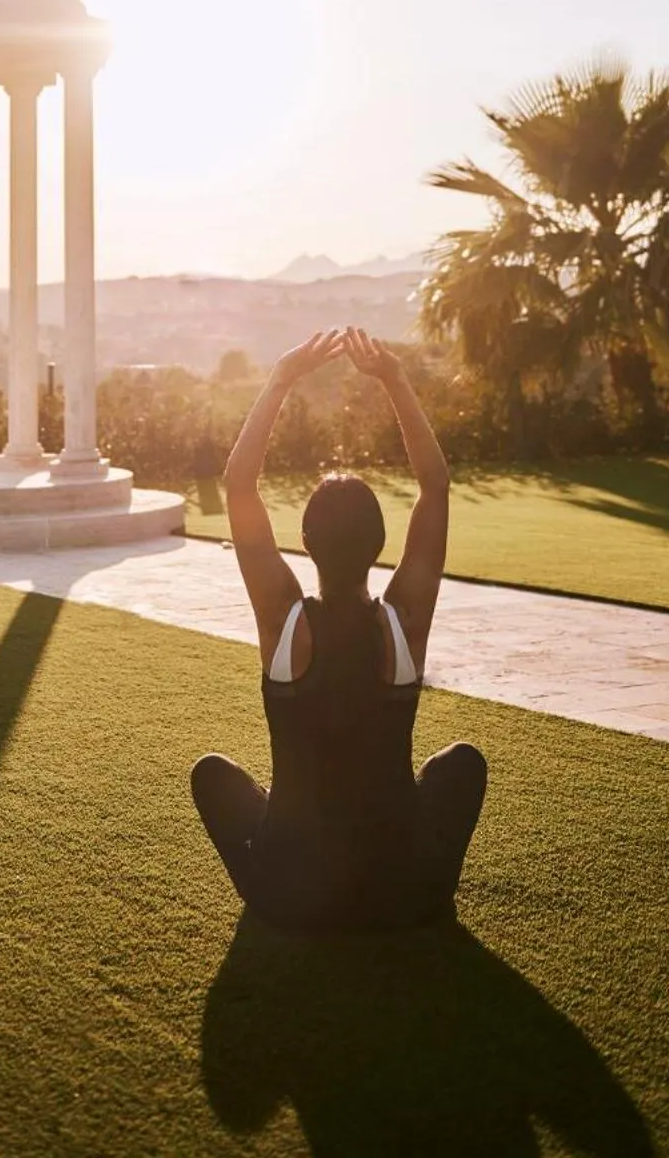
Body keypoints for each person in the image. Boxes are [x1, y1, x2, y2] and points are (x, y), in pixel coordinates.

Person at [191, 326, 487, 933]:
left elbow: (239, 485)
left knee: (212, 774)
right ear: (382, 545)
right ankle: (418, 887)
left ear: (306, 544)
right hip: (407, 889)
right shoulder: (404, 620)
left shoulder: (283, 619)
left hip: (291, 892)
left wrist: (282, 377)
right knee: (460, 764)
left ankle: (283, 871)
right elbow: (435, 484)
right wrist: (395, 379)